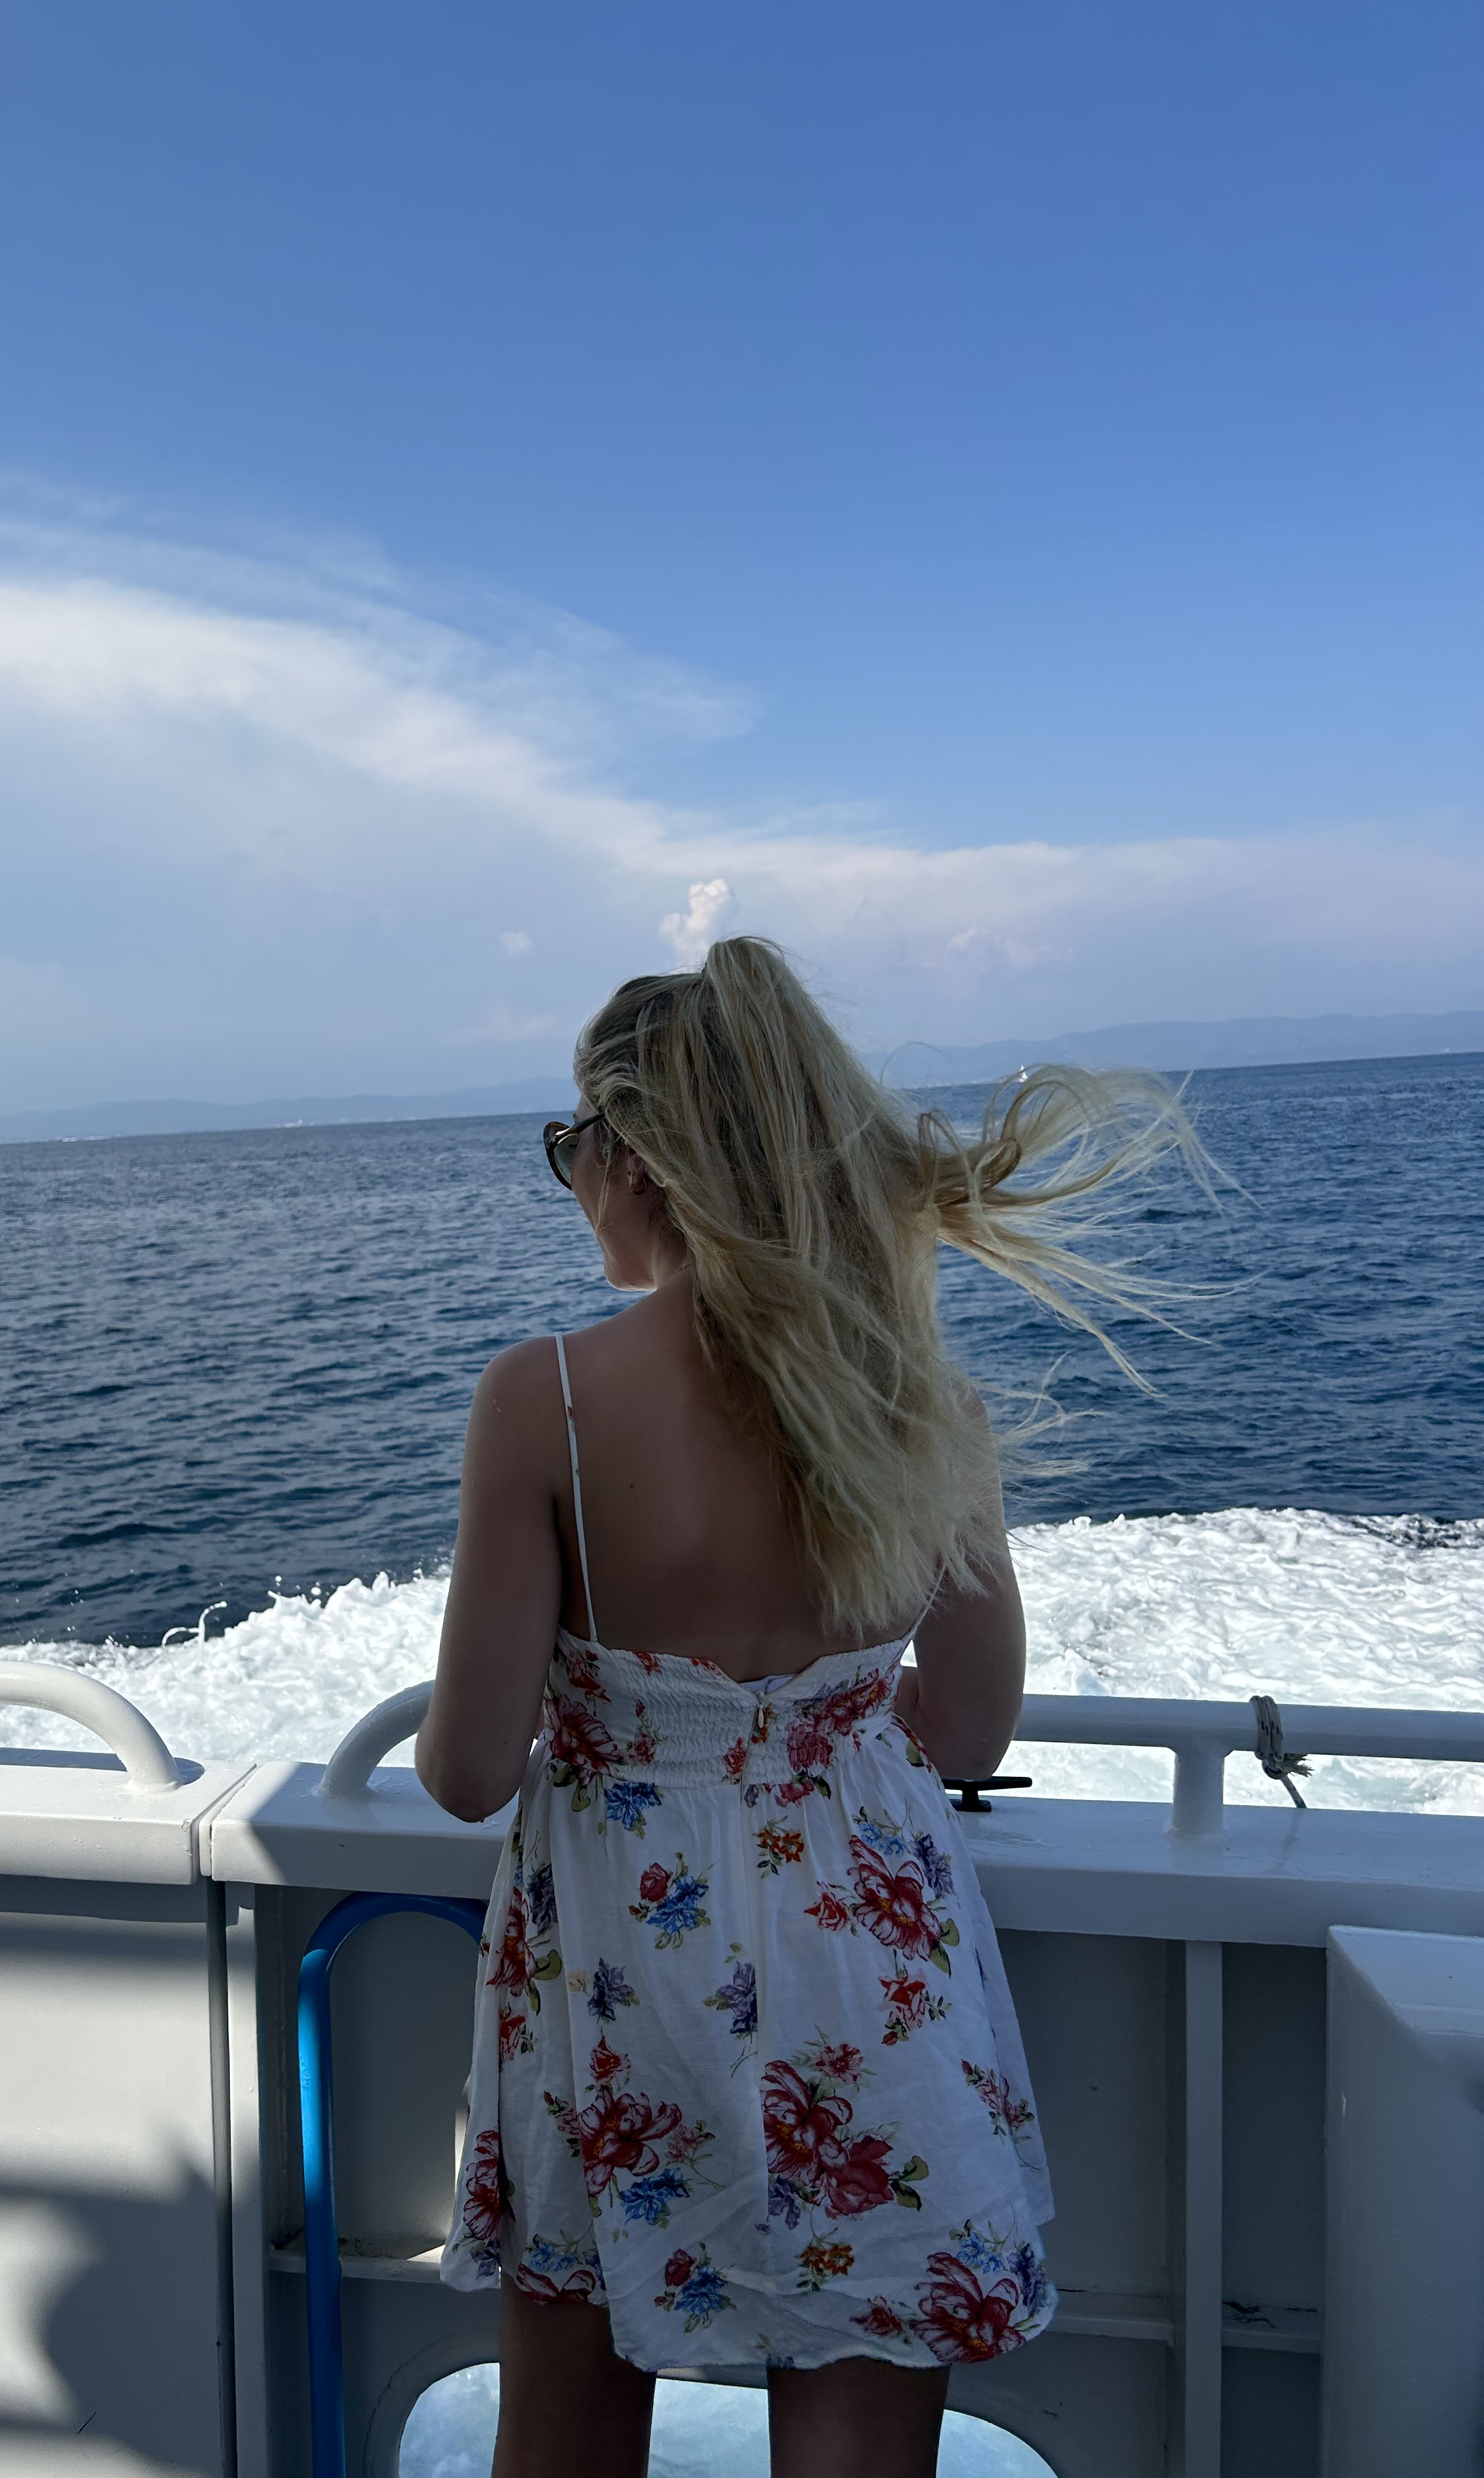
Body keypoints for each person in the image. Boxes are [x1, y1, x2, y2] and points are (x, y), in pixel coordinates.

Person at [415, 937, 1199, 2478]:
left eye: (572, 1145)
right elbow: (966, 1731)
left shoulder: (545, 1398)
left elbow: (466, 1770)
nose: (574, 1180)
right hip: (867, 1961)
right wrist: (811, 1730)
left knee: (568, 2430)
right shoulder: (920, 1397)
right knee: (861, 2419)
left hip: (620, 1972)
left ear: (635, 1153)